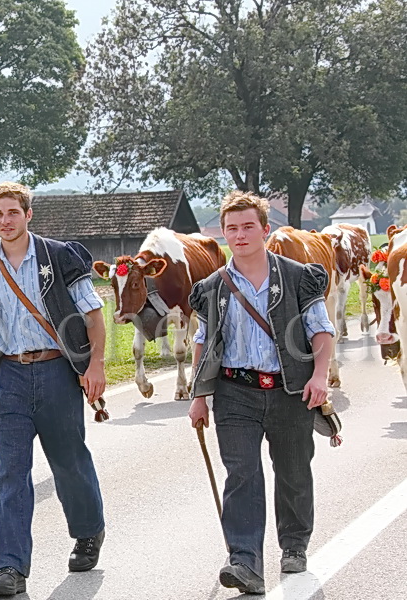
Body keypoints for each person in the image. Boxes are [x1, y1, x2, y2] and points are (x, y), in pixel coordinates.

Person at [0, 182, 107, 597]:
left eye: (12, 213)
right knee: (8, 471)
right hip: (9, 378)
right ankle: (10, 566)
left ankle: (88, 531)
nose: (5, 221)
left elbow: (94, 316)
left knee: (68, 462)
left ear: (28, 215)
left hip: (57, 372)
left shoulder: (59, 258)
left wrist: (94, 365)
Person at [188, 190, 335, 594]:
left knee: (292, 472)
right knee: (242, 474)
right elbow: (204, 340)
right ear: (224, 234)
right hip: (235, 391)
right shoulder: (213, 286)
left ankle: (293, 546)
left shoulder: (296, 276)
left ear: (265, 230)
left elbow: (321, 330)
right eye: (231, 228)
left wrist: (320, 376)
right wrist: (199, 396)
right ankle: (245, 561)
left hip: (290, 389)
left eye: (248, 226)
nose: (239, 235)